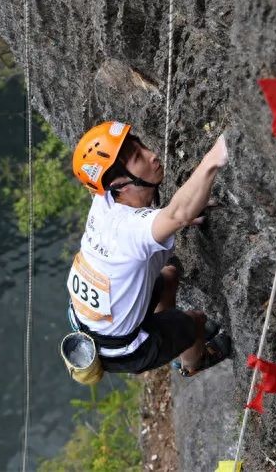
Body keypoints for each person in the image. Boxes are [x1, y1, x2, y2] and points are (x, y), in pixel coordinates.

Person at [68, 120, 231, 375]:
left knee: (170, 274)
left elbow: (171, 217)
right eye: (138, 157)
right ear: (119, 184)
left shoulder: (104, 202)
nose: (152, 155)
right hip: (124, 349)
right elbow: (177, 214)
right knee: (197, 320)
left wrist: (183, 215)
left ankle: (169, 329)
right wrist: (217, 155)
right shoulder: (128, 230)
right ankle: (193, 363)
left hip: (91, 322)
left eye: (141, 146)